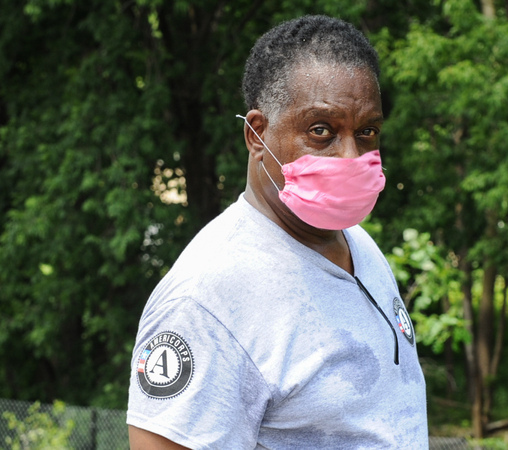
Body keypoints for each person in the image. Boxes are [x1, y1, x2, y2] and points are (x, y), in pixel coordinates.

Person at [127, 15, 428, 449]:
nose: (349, 156)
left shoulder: (356, 242)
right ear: (256, 134)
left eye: (367, 132)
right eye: (321, 131)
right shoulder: (208, 296)